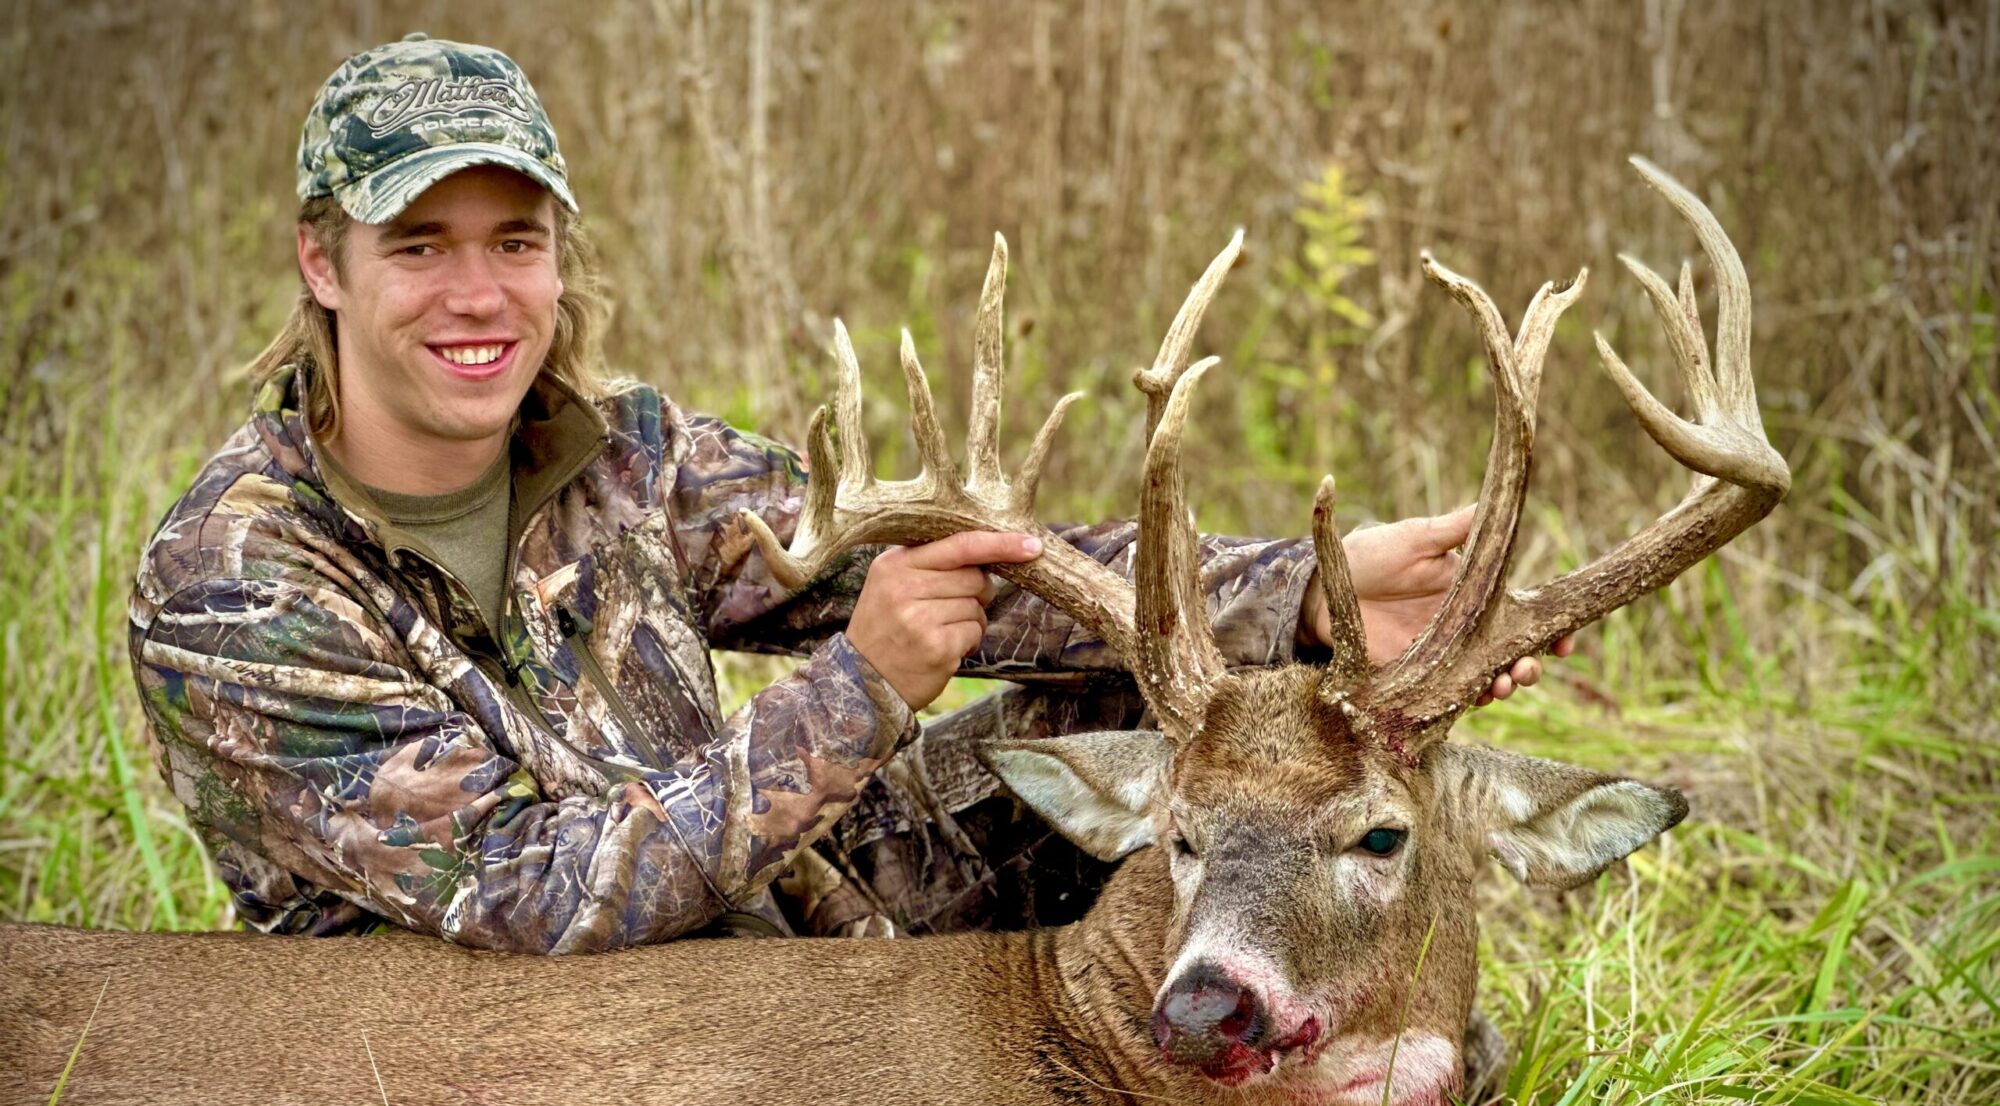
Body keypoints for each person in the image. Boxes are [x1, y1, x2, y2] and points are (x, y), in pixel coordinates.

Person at [131, 35, 1566, 955]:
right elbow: (521, 897)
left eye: (514, 242)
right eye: (419, 247)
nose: (477, 296)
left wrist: (1298, 597)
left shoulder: (621, 453)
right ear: (324, 265)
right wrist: (860, 684)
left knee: (1157, 712)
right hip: (514, 1069)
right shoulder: (237, 581)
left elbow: (983, 580)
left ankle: (1313, 1044)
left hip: (770, 923)